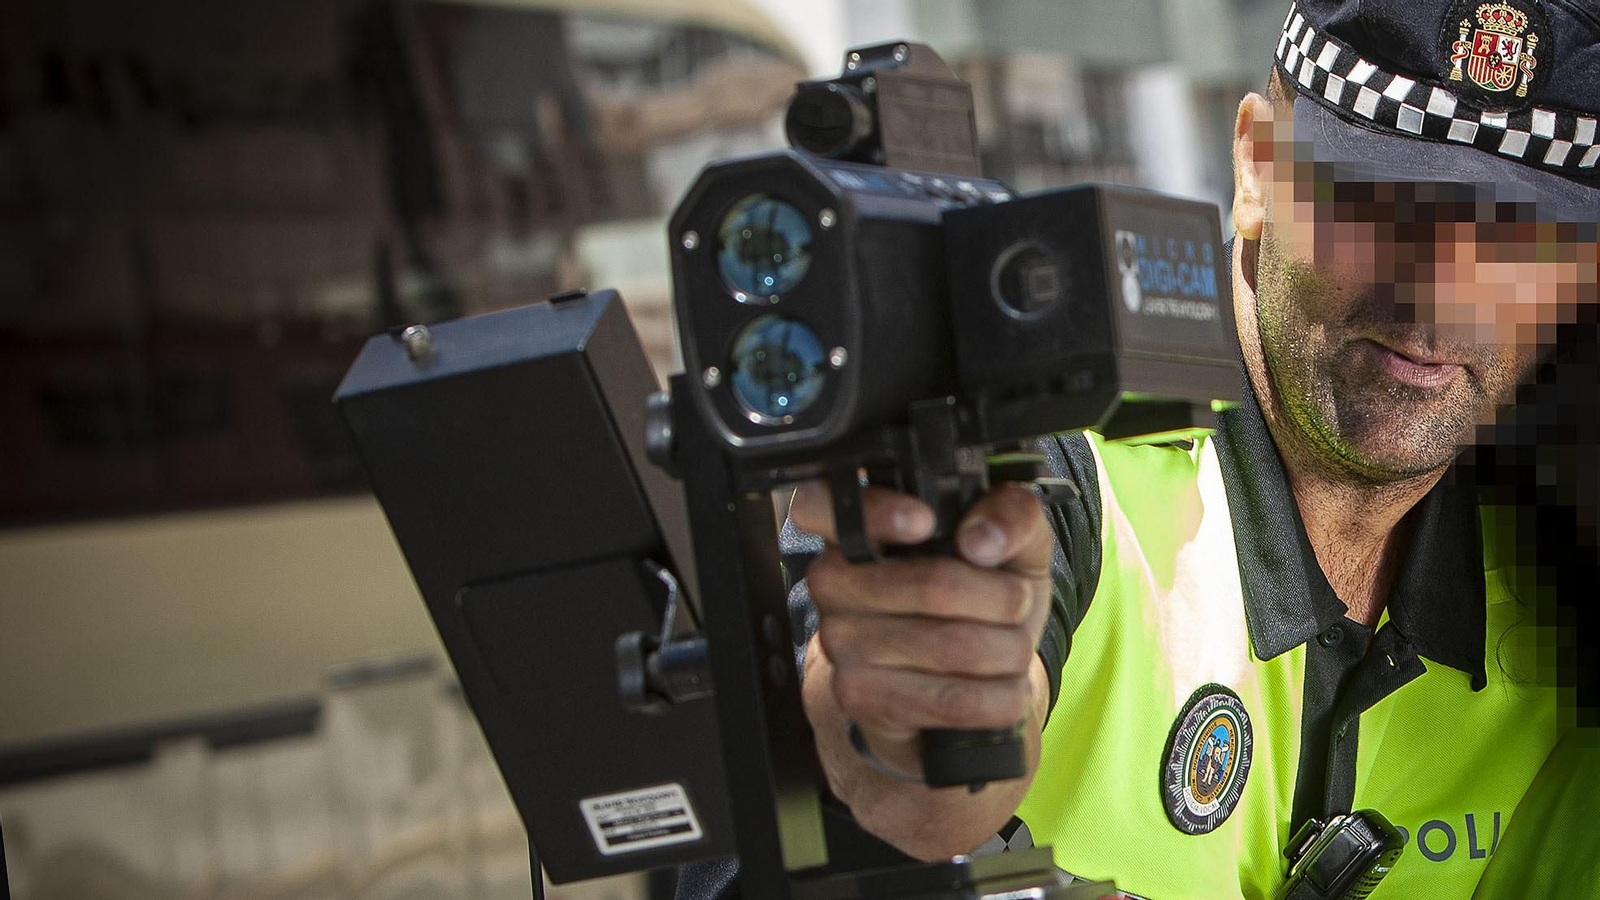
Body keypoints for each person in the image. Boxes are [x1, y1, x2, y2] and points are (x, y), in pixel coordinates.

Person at [676, 0, 1599, 897]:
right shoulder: (1044, 439)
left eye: (1518, 238)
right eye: (1388, 208)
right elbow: (834, 801)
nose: (1442, 296)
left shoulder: (1558, 535)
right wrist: (912, 736)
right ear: (1257, 166)